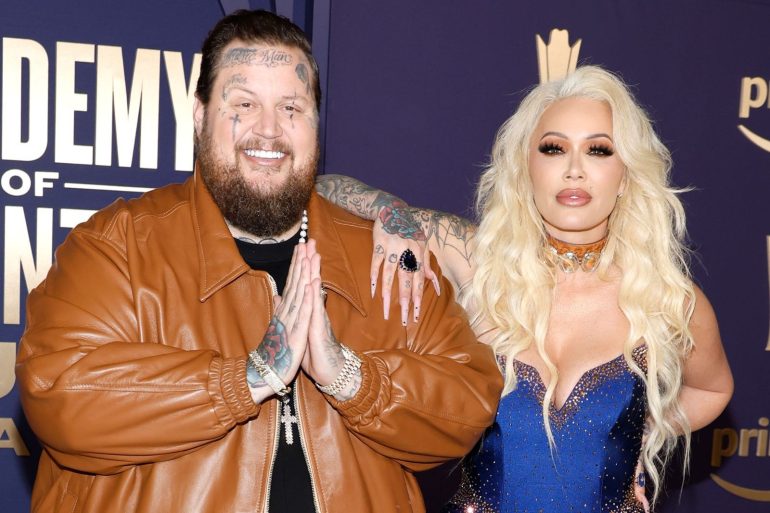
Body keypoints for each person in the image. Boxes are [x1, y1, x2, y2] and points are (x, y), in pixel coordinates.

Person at [15, 10, 502, 513]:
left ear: (316, 123)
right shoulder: (118, 245)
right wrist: (248, 377)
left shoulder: (384, 260)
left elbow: (467, 405)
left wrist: (348, 376)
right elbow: (60, 394)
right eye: (244, 104)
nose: (268, 130)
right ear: (200, 115)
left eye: (291, 108)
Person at [316, 65, 733, 512]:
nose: (574, 170)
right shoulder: (477, 261)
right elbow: (325, 188)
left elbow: (712, 390)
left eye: (598, 150)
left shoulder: (663, 296)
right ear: (525, 167)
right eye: (554, 148)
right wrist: (392, 215)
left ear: (626, 175)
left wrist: (640, 434)